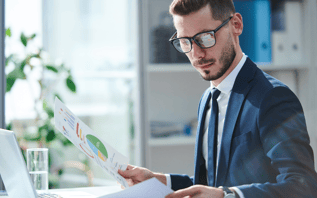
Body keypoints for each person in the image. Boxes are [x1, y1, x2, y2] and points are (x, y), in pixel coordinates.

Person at [119, 0, 317, 197]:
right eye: (185, 41)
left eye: (205, 37)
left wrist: (228, 196)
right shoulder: (208, 99)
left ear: (236, 25)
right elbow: (211, 185)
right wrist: (159, 180)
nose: (196, 53)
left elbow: (303, 185)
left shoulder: (272, 97)